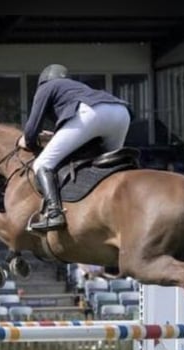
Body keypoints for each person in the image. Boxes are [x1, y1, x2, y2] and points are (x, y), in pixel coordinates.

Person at [17, 64, 132, 231]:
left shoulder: (46, 87)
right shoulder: (77, 87)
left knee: (42, 164)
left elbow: (31, 130)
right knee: (111, 168)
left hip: (92, 114)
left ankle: (54, 213)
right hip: (121, 113)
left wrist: (27, 141)